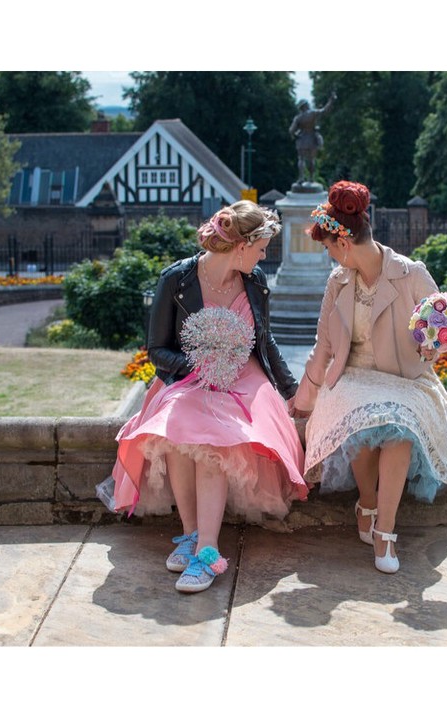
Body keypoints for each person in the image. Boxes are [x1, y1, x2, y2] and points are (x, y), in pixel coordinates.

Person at [102, 201, 308, 594]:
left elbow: (264, 340)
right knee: (179, 427)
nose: (264, 256)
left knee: (212, 442)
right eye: (261, 248)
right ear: (241, 246)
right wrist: (200, 366)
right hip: (189, 377)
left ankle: (208, 554)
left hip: (244, 380)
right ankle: (192, 534)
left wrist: (291, 389)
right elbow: (157, 350)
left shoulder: (255, 280)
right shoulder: (176, 279)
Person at [291, 181, 447, 574]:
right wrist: (303, 400)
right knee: (362, 420)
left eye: (329, 248)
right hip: (353, 377)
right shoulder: (337, 283)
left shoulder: (411, 274)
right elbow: (324, 347)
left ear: (343, 244)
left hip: (403, 380)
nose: (330, 257)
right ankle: (366, 503)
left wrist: (434, 348)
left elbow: (439, 327)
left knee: (399, 428)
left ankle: (385, 531)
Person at [289, 92, 336, 184]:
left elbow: (291, 130)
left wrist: (296, 135)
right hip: (312, 138)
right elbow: (324, 111)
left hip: (301, 139)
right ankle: (311, 178)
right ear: (306, 105)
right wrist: (331, 100)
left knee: (301, 159)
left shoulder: (298, 118)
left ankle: (301, 177)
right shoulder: (313, 113)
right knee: (311, 160)